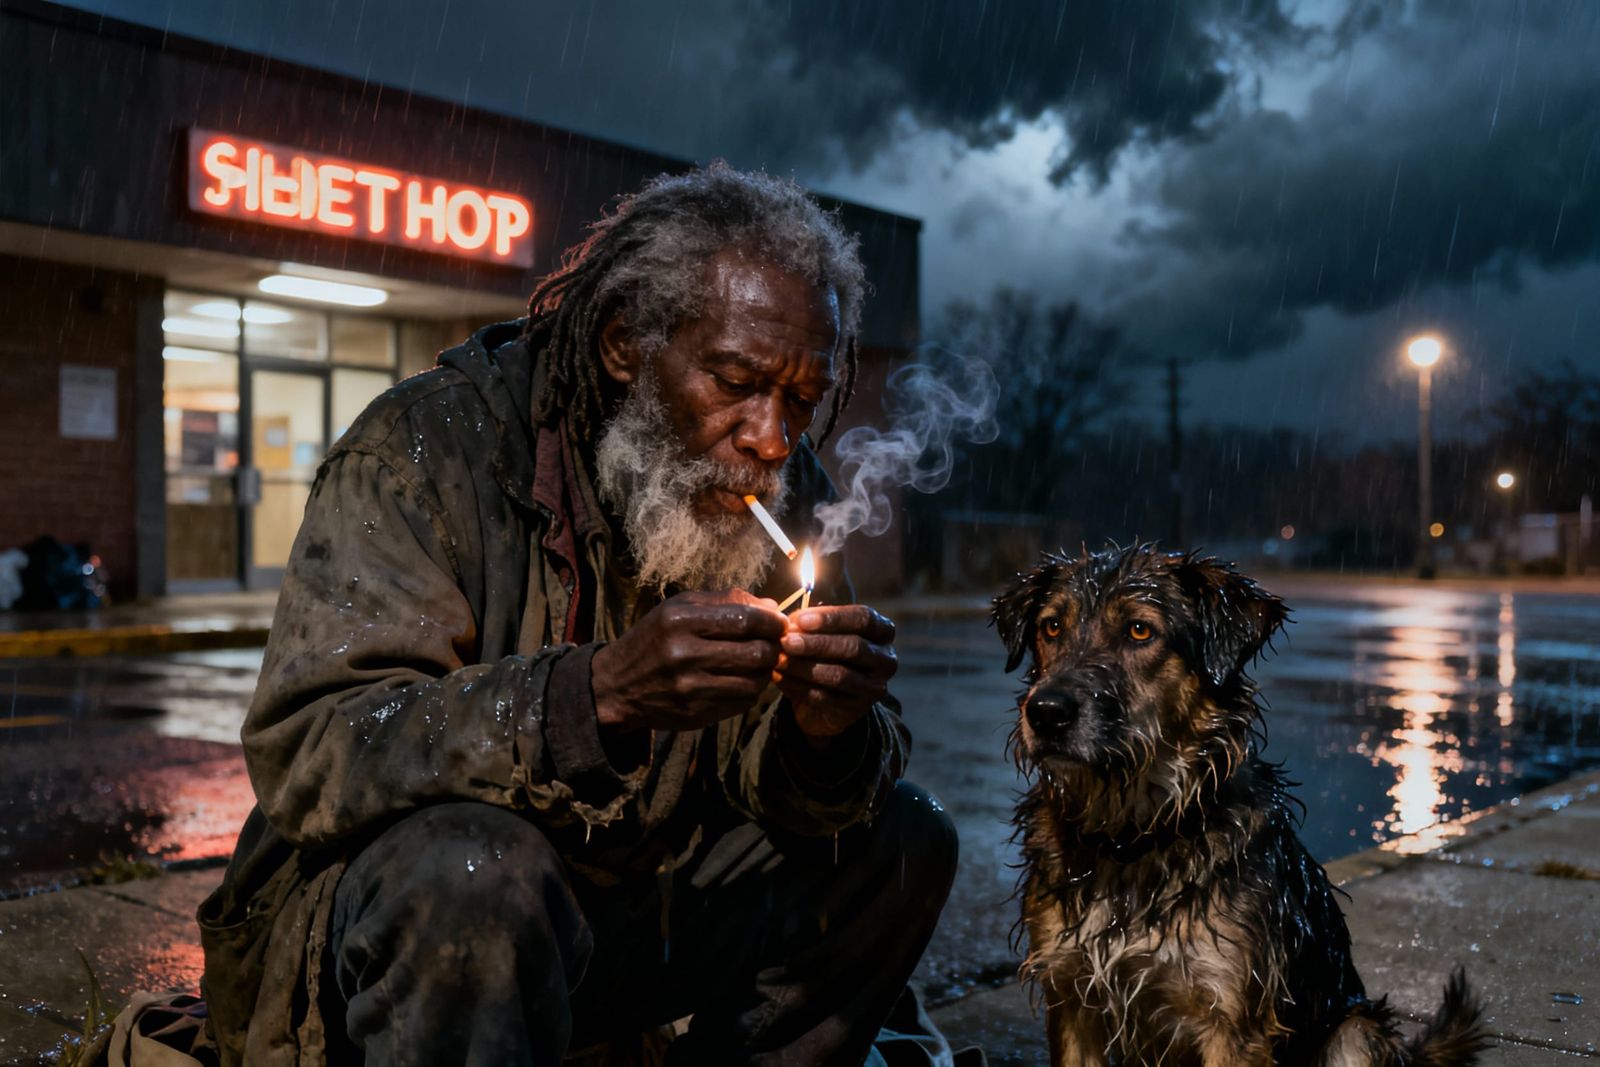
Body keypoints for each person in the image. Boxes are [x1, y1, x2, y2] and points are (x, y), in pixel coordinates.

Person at [197, 162, 959, 1066]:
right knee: (477, 871)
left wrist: (824, 734)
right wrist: (589, 697)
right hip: (397, 940)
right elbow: (313, 750)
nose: (771, 437)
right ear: (624, 344)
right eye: (734, 379)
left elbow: (787, 789)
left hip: (614, 918)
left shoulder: (776, 487)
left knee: (904, 835)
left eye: (800, 395)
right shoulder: (424, 453)